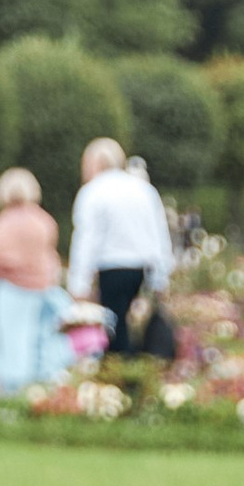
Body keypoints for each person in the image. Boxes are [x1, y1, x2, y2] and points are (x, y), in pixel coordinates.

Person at [66, 139, 172, 357]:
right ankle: (137, 364)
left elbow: (87, 240)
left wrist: (78, 284)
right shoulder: (144, 189)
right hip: (142, 268)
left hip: (111, 268)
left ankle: (121, 370)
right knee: (135, 324)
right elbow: (159, 233)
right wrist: (162, 276)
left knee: (114, 328)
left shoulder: (93, 192)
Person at [0, 167, 66, 392]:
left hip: (11, 288)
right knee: (37, 339)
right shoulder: (44, 221)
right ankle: (40, 388)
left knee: (12, 341)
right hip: (41, 288)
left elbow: (0, 259)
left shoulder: (3, 222)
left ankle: (12, 390)